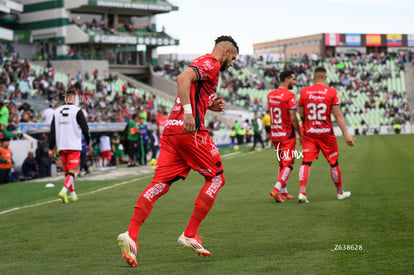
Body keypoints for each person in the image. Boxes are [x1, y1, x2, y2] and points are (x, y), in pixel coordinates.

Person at [117, 35, 239, 267]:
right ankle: (190, 234)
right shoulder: (211, 63)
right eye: (232, 58)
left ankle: (131, 235)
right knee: (216, 179)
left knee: (159, 185)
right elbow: (182, 78)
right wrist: (188, 112)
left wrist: (206, 105)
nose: (231, 63)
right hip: (189, 132)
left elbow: (192, 88)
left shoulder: (205, 65)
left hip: (172, 132)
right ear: (225, 53)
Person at [297, 67, 355, 203]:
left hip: (309, 134)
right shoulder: (331, 92)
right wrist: (346, 135)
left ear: (313, 77)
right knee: (334, 163)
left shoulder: (304, 92)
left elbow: (301, 114)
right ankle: (340, 193)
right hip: (326, 134)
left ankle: (302, 193)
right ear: (326, 78)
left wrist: (305, 129)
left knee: (305, 162)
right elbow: (337, 115)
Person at [49, 88, 90, 204]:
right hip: (73, 145)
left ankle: (73, 194)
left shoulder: (56, 111)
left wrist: (52, 146)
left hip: (62, 145)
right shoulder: (77, 110)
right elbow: (85, 128)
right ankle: (63, 191)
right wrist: (88, 140)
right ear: (74, 98)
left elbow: (52, 130)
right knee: (72, 171)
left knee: (67, 172)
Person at [268, 71, 302, 203]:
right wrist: (299, 133)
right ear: (287, 79)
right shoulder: (290, 95)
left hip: (275, 133)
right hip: (287, 134)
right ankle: (276, 190)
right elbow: (293, 117)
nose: (295, 82)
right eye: (293, 79)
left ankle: (284, 192)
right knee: (289, 164)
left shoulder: (270, 95)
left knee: (282, 163)